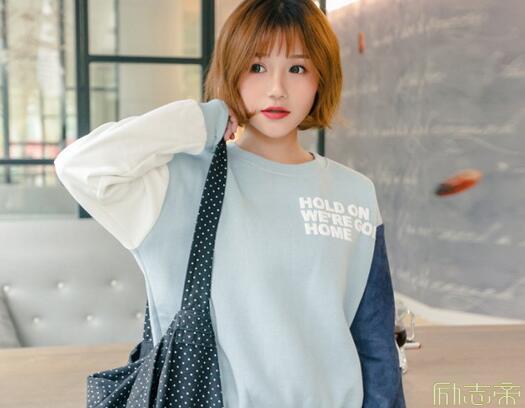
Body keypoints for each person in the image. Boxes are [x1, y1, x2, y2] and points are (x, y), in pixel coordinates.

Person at [54, 0, 406, 407]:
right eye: (256, 67)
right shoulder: (178, 183)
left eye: (298, 68)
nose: (276, 88)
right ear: (230, 71)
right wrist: (202, 120)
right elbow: (78, 165)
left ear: (320, 79)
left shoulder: (354, 193)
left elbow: (374, 344)